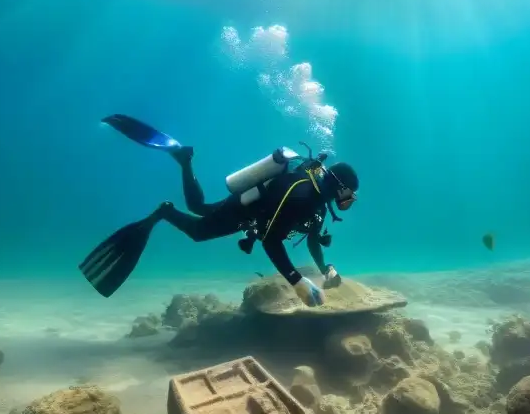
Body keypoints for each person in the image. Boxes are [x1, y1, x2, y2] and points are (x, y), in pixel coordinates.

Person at [79, 115, 359, 307]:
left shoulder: (318, 202)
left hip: (252, 214)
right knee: (199, 230)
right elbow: (271, 240)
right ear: (338, 186)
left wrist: (326, 270)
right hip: (242, 210)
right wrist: (296, 281)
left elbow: (312, 237)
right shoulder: (301, 194)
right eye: (348, 194)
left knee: (198, 208)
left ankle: (184, 159)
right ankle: (165, 209)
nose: (349, 201)